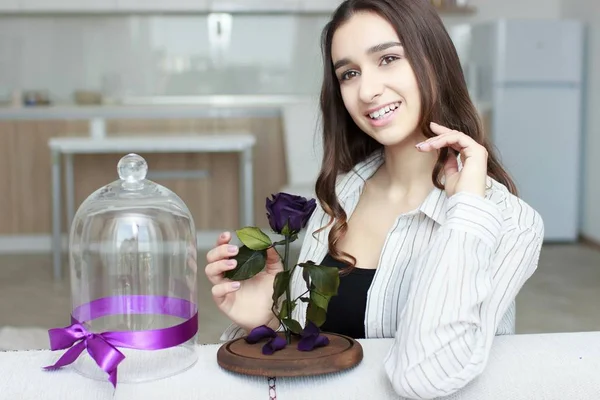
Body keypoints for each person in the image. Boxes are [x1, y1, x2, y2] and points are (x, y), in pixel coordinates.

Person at [204, 0, 544, 398]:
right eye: (349, 73)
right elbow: (317, 351)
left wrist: (466, 211)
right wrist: (270, 321)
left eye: (388, 58)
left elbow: (426, 376)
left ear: (434, 60)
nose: (366, 90)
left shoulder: (508, 221)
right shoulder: (342, 193)